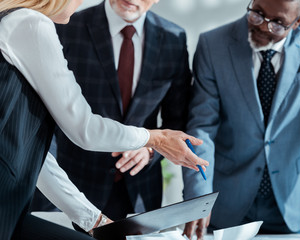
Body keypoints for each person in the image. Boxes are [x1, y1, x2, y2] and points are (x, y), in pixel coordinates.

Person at [0, 0, 208, 239]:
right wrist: (155, 139)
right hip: (22, 197)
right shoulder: (31, 24)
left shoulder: (15, 20)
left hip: (14, 203)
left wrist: (93, 219)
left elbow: (34, 153)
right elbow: (84, 128)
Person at [182, 0, 300, 238]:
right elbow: (202, 128)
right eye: (257, 13)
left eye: (278, 23)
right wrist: (198, 198)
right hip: (227, 204)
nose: (264, 27)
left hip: (288, 203)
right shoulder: (213, 44)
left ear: (297, 22)